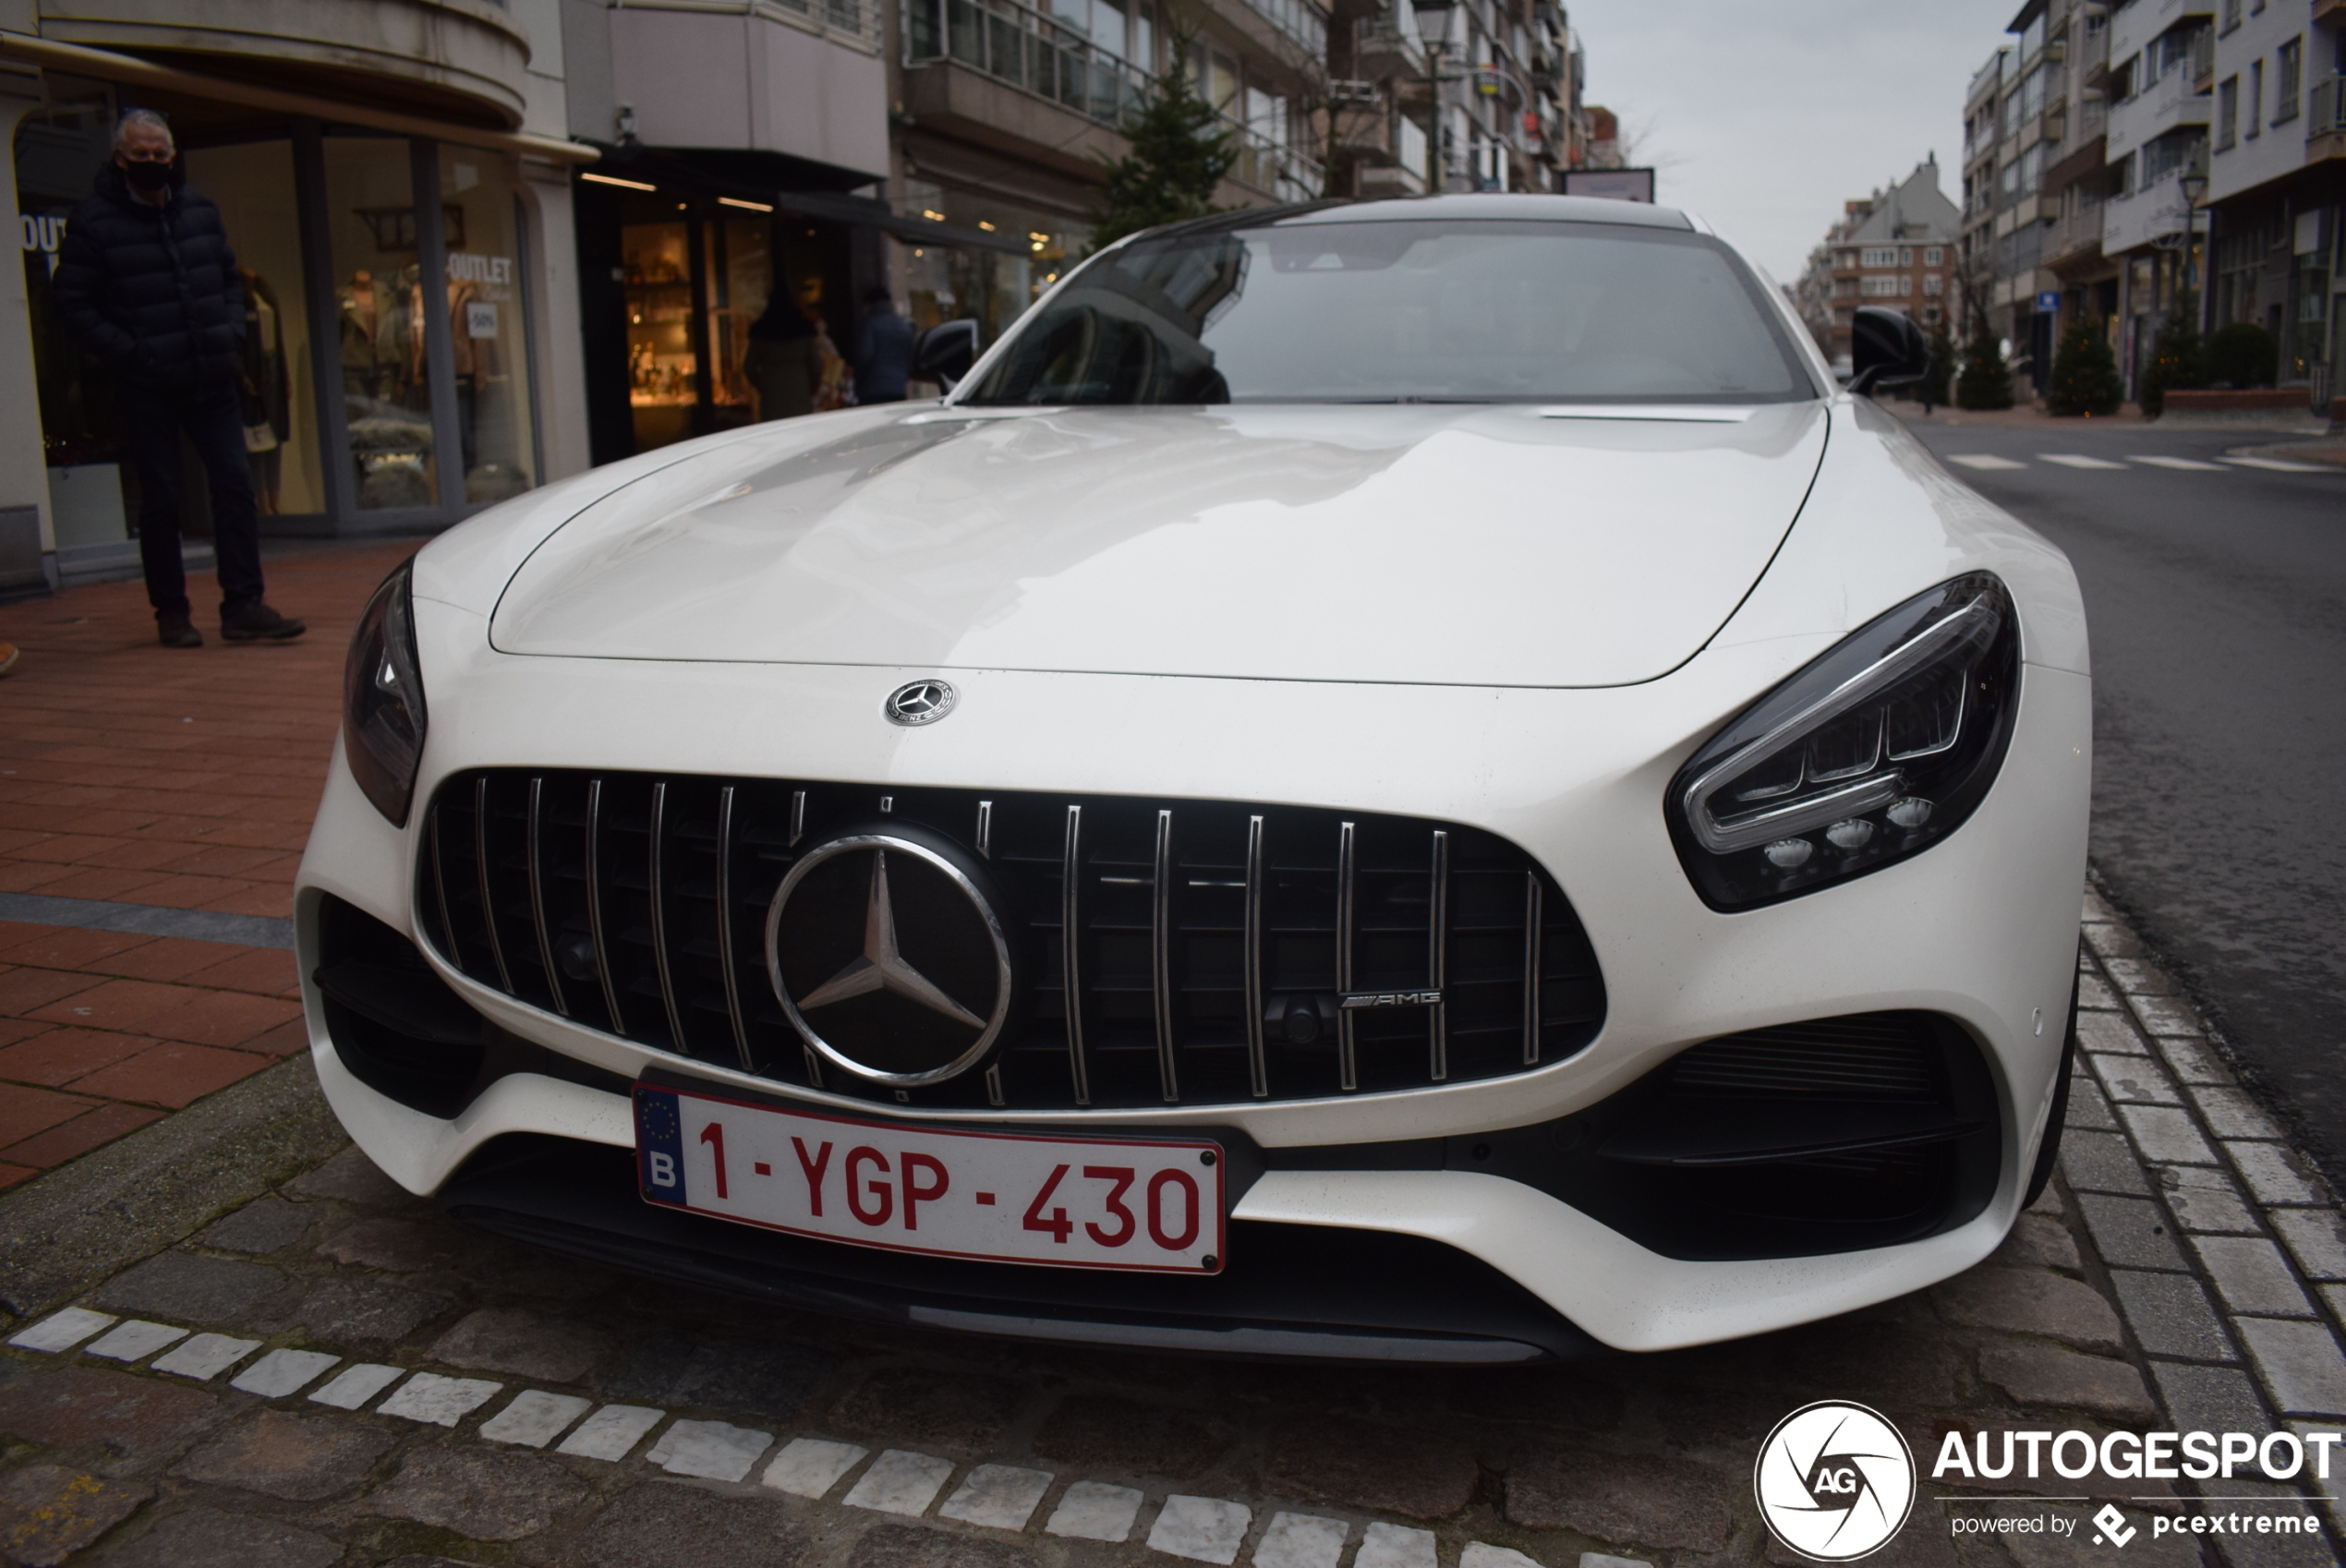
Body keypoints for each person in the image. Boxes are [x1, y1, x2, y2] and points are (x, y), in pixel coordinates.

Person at [52, 109, 304, 649]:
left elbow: (231, 283)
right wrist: (128, 353)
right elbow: (71, 303)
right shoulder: (95, 222)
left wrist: (231, 337)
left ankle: (244, 605)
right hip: (146, 382)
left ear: (172, 155)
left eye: (159, 155)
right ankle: (171, 612)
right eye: (139, 156)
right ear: (120, 160)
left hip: (211, 375)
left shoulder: (201, 211)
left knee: (235, 486)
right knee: (162, 496)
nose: (151, 164)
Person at [742, 298, 820, 421]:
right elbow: (816, 367)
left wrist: (762, 385)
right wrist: (810, 386)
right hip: (799, 391)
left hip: (772, 394)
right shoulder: (803, 333)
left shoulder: (761, 334)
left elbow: (749, 367)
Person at [853, 287, 914, 405]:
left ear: (869, 304)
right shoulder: (903, 325)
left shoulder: (870, 324)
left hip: (872, 390)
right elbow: (911, 357)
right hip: (898, 388)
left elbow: (865, 355)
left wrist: (858, 382)